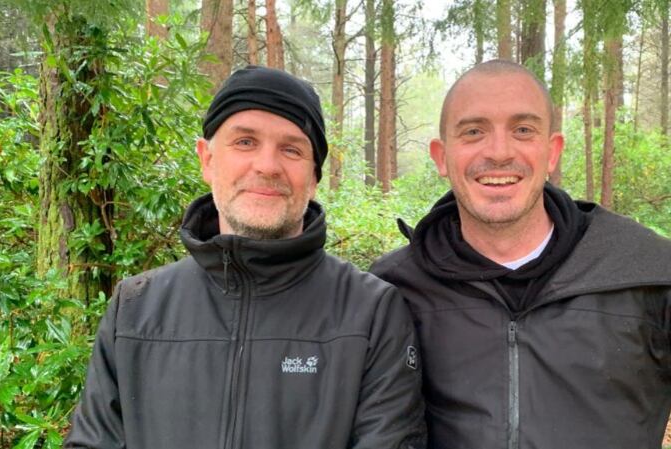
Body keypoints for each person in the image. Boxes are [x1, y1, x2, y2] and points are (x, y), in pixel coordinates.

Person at [370, 59, 671, 449]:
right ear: (441, 157)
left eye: (523, 130)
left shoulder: (644, 271)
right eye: (473, 131)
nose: (498, 152)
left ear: (552, 152)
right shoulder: (393, 288)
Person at [66, 66, 426, 449]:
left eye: (291, 149)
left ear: (314, 176)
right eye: (245, 142)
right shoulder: (136, 308)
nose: (267, 166)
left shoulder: (370, 311)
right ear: (206, 159)